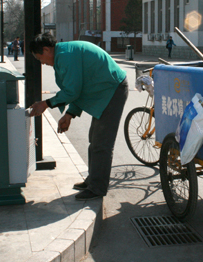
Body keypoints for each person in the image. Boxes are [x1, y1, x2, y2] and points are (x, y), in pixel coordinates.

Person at [28, 33, 128, 201]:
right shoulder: (64, 54)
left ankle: (97, 188)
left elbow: (73, 91)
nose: (42, 63)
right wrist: (69, 114)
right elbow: (79, 90)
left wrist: (45, 104)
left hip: (112, 90)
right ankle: (93, 179)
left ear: (46, 49)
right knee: (94, 140)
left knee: (101, 143)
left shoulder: (66, 55)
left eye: (40, 58)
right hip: (102, 92)